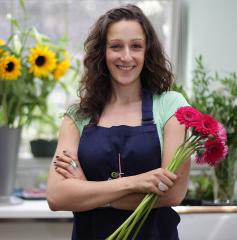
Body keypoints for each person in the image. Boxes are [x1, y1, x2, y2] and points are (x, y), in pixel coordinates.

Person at [47, 4, 190, 240]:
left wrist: (89, 192)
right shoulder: (78, 116)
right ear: (102, 52)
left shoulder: (171, 105)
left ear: (147, 52)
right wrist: (136, 183)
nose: (126, 56)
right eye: (116, 46)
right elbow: (57, 196)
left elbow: (172, 193)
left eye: (136, 46)